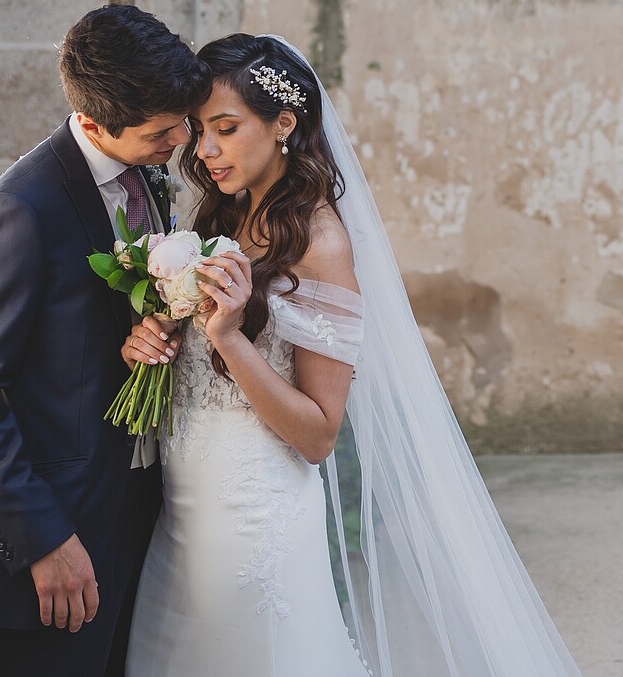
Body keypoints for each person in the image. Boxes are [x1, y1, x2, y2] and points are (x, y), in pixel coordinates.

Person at [121, 34, 583, 677]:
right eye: (199, 130)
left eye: (224, 129)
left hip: (255, 522)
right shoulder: (219, 220)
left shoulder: (320, 243)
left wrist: (227, 339)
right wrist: (158, 336)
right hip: (183, 515)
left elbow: (318, 434)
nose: (203, 150)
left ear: (284, 123)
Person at [0, 5, 211, 677]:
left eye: (183, 120)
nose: (182, 137)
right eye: (162, 130)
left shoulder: (149, 173)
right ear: (91, 122)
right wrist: (43, 539)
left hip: (144, 515)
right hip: (63, 538)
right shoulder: (18, 214)